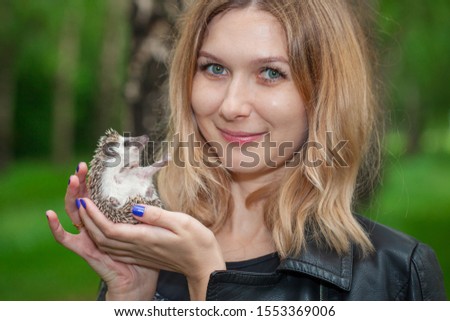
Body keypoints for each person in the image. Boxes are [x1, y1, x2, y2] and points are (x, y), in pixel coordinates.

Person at [46, 0, 446, 300]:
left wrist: (207, 279)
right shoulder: (150, 246)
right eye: (214, 69)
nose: (231, 106)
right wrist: (132, 295)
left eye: (271, 73)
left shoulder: (396, 274)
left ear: (325, 96)